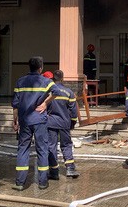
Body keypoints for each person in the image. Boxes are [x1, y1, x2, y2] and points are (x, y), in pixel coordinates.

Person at [11, 56, 54, 191]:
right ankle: (42, 182)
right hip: (39, 120)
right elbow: (56, 92)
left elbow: (15, 103)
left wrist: (15, 120)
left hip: (24, 120)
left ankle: (19, 182)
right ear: (41, 68)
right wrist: (45, 103)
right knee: (42, 149)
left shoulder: (20, 81)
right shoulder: (46, 81)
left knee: (23, 149)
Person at [46, 70, 80, 179]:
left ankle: (54, 171)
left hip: (51, 122)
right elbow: (73, 110)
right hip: (65, 123)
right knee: (66, 145)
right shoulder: (69, 92)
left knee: (51, 146)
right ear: (62, 78)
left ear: (53, 79)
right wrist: (73, 122)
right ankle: (70, 168)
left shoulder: (49, 92)